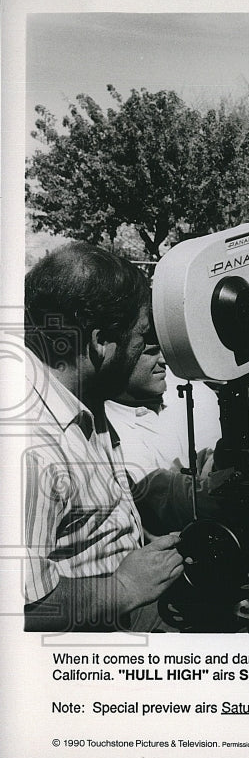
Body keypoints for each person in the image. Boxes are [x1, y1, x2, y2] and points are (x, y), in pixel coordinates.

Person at [22, 242, 184, 631]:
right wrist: (125, 587)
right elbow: (23, 610)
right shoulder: (33, 446)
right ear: (100, 341)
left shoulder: (79, 395)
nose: (148, 350)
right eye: (141, 337)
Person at [105, 325, 222, 536]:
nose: (163, 360)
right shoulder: (109, 430)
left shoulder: (194, 390)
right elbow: (173, 503)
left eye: (163, 350)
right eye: (150, 352)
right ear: (119, 357)